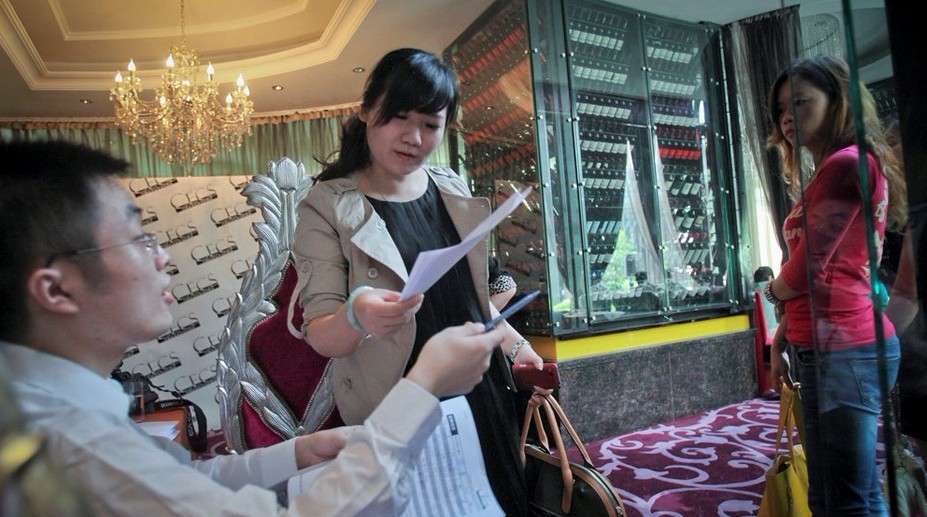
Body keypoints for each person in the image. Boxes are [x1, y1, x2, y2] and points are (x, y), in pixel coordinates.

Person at [0, 139, 506, 516]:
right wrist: (423, 388)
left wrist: (296, 453)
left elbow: (180, 479)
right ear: (56, 289)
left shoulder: (55, 413)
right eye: (138, 239)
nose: (164, 257)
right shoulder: (73, 450)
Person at [291, 47, 543, 516]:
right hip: (398, 406)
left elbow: (475, 297)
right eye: (399, 117)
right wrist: (357, 315)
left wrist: (515, 347)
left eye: (430, 124)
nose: (413, 137)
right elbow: (322, 335)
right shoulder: (326, 206)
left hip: (481, 390)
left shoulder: (452, 188)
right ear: (366, 111)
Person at [764, 55, 908, 515]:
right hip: (828, 346)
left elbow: (808, 266)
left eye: (801, 102)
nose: (788, 118)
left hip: (845, 349)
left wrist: (773, 292)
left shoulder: (847, 164)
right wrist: (785, 332)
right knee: (833, 493)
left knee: (849, 499)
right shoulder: (835, 167)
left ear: (838, 102)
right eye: (781, 109)